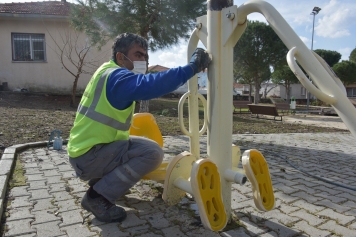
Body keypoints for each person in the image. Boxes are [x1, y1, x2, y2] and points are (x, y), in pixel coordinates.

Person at [67, 33, 211, 223]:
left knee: (150, 148)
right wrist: (191, 68)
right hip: (90, 156)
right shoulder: (117, 78)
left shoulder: (106, 71)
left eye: (145, 56)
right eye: (138, 55)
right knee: (151, 154)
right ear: (120, 57)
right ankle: (97, 198)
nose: (143, 60)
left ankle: (102, 183)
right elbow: (150, 85)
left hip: (88, 151)